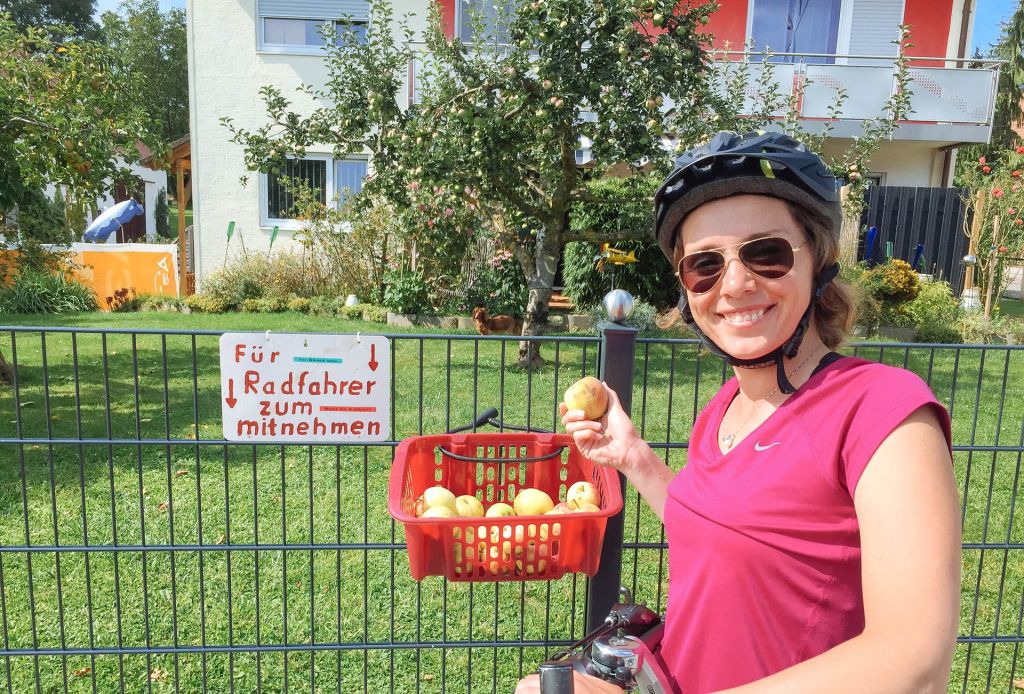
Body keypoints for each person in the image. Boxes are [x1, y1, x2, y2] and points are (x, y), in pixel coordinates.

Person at [515, 131, 961, 693]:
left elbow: (915, 661)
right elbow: (718, 531)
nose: (735, 283)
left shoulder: (883, 412)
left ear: (817, 261)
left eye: (766, 252)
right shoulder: (725, 409)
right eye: (705, 265)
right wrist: (635, 459)